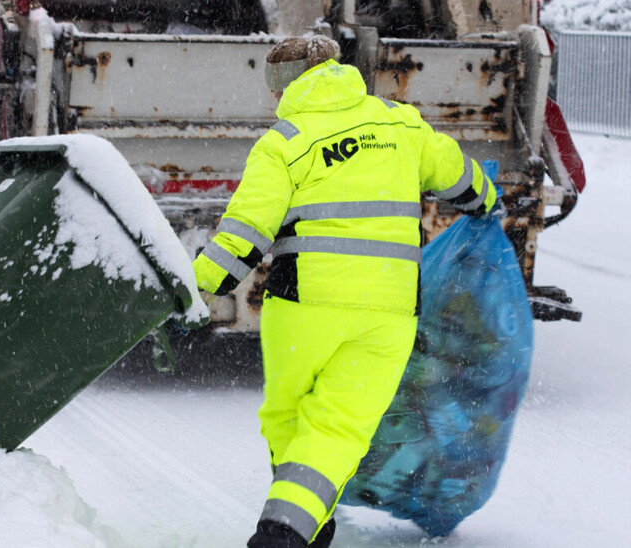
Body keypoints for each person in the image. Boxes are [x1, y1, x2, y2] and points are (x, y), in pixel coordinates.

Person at [191, 36, 501, 548]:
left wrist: (194, 289)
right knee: (338, 427)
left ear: (285, 86)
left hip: (303, 311)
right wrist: (487, 202)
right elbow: (460, 178)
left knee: (288, 418)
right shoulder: (400, 124)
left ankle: (284, 532)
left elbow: (243, 237)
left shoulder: (284, 142)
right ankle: (305, 520)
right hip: (388, 315)